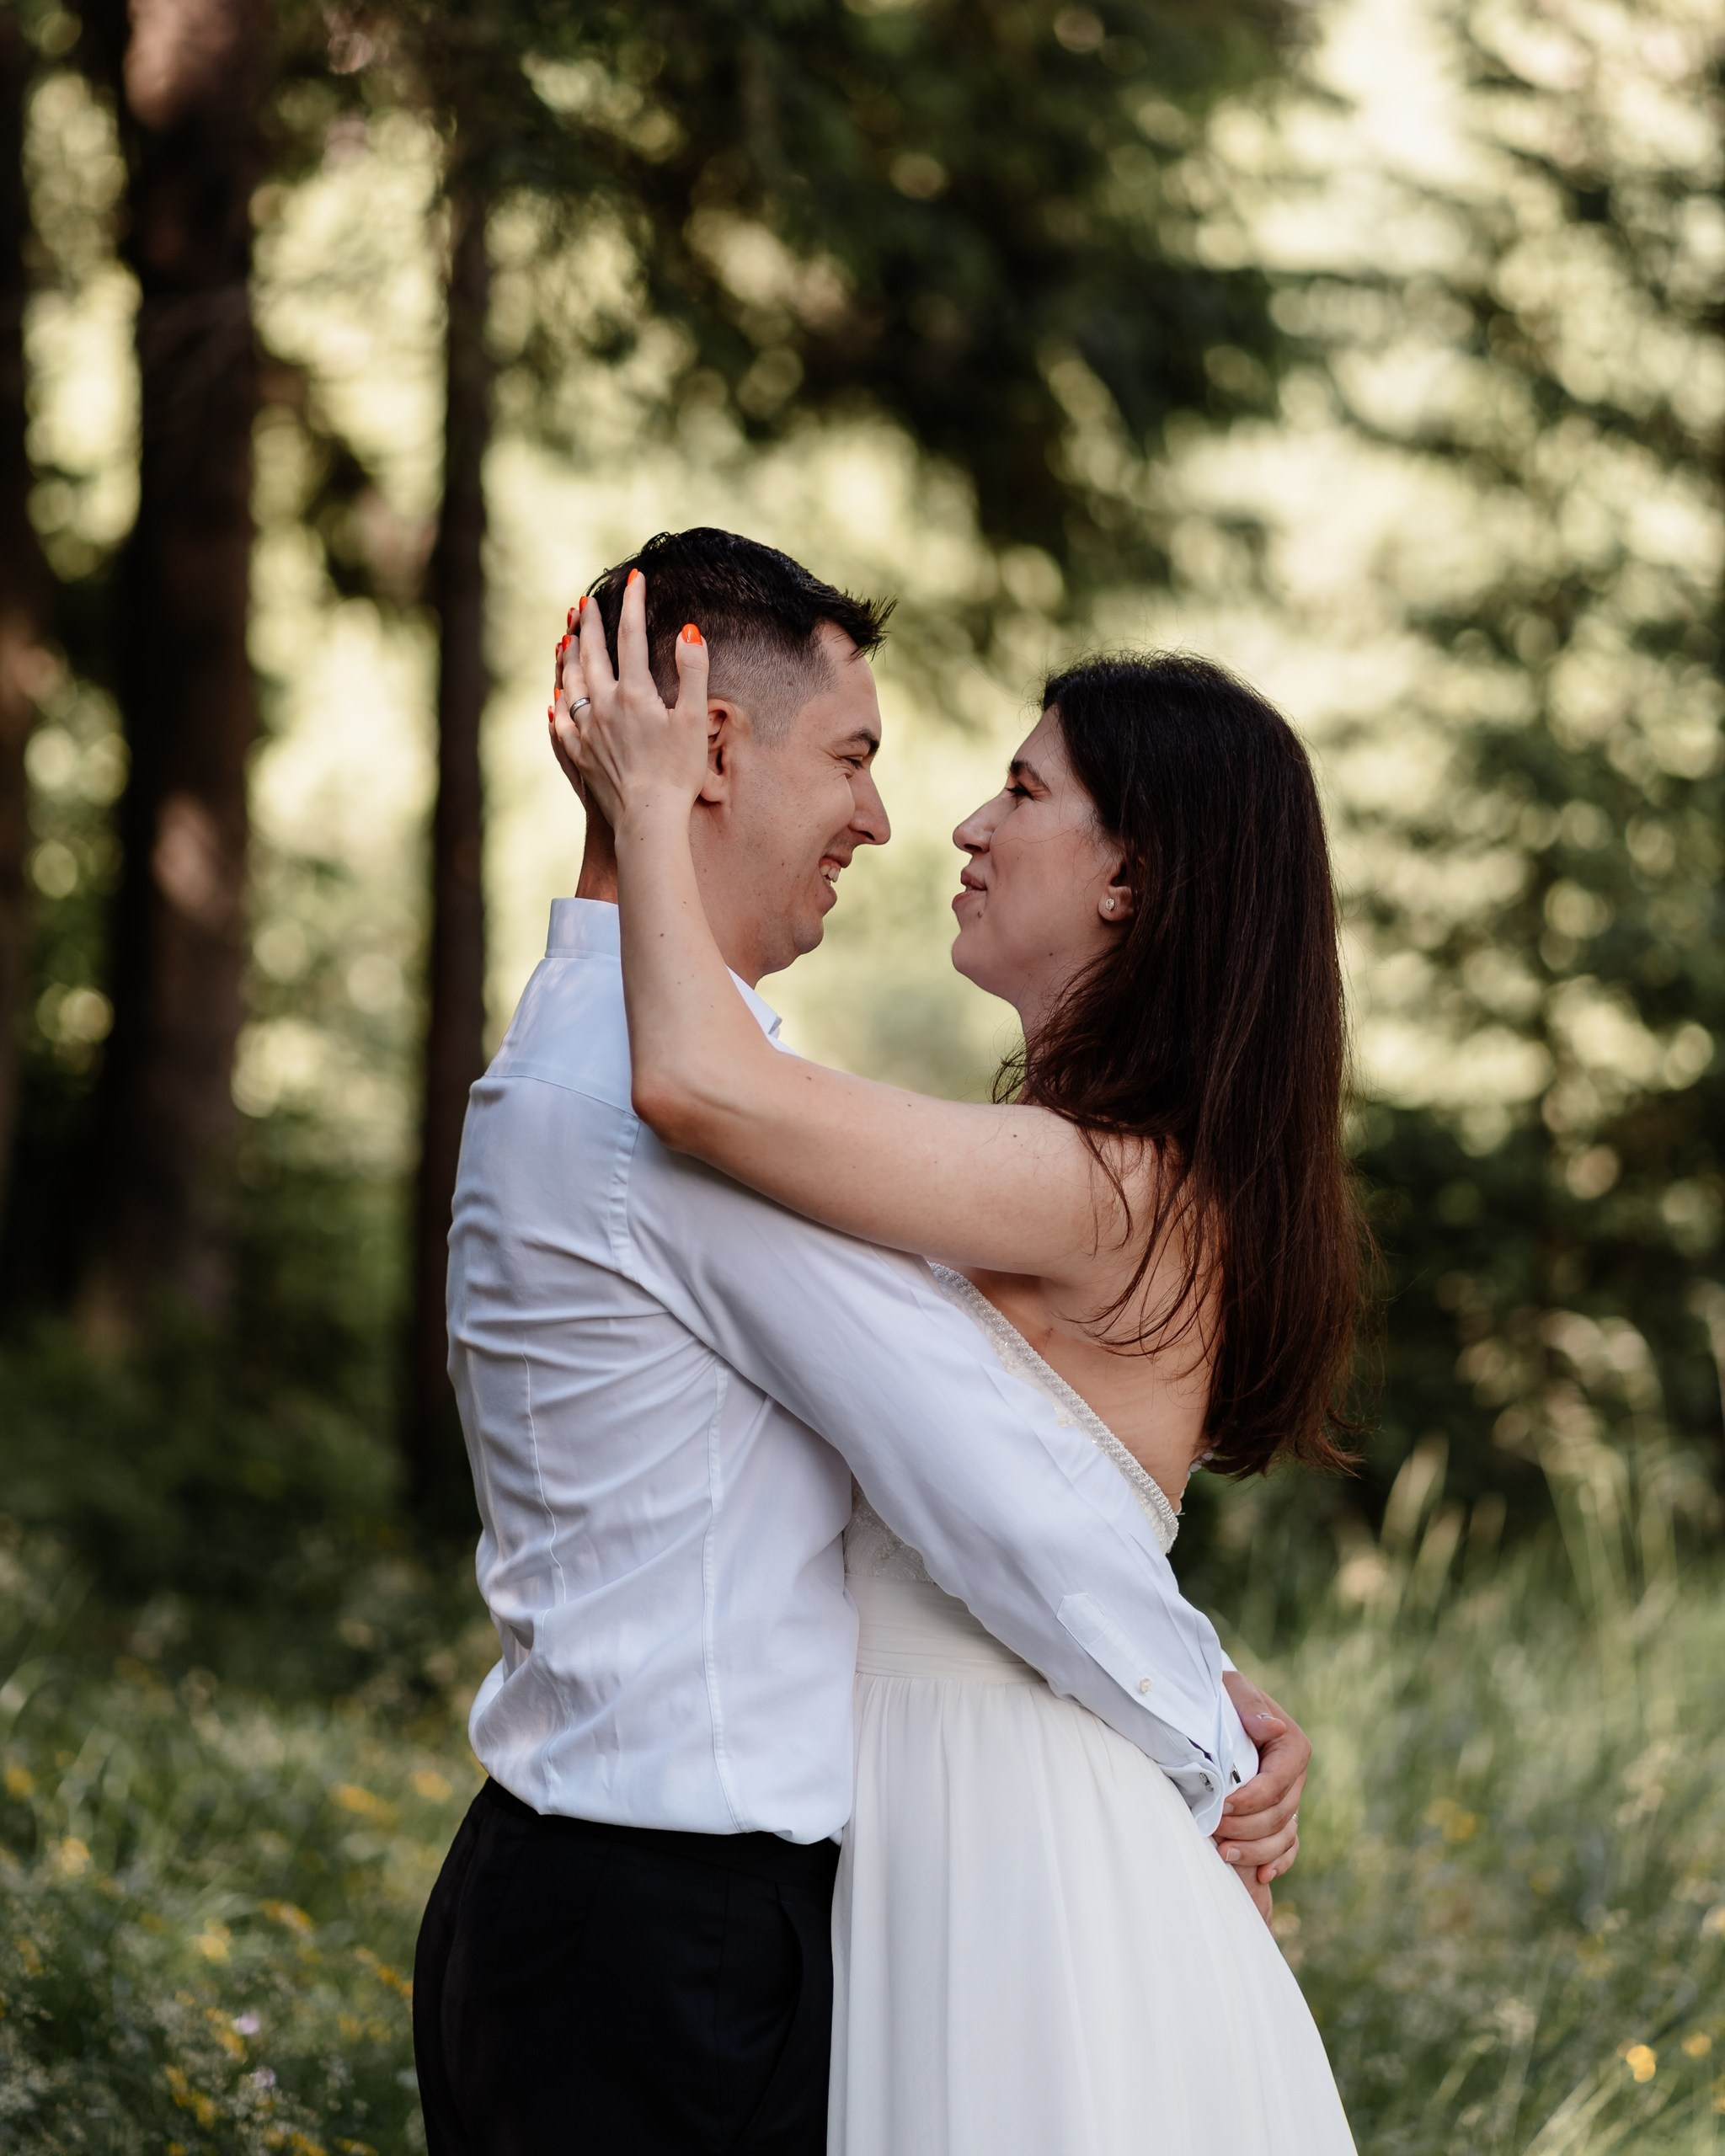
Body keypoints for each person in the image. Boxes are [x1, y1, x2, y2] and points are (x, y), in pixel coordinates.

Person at [412, 527, 1311, 2156]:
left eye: (1016, 792)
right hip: (683, 1922)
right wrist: (1200, 1705)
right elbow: (994, 1481)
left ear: (1135, 879)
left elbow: (980, 1461)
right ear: (710, 748)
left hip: (906, 1866)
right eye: (857, 757)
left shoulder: (1071, 1176)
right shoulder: (657, 1110)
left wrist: (1195, 1691)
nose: (913, 821)